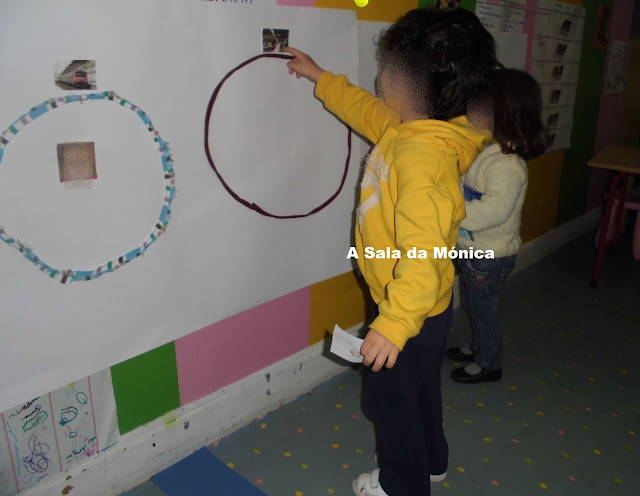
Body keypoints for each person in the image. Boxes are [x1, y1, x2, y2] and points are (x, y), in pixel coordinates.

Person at [285, 7, 497, 495]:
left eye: (384, 68)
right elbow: (363, 109)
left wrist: (394, 324)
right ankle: (433, 462)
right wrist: (319, 76)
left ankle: (401, 485)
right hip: (421, 307)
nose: (378, 76)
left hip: (408, 311)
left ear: (407, 85)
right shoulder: (410, 129)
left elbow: (426, 256)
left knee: (389, 405)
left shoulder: (422, 160)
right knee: (420, 391)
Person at [447, 68, 547, 384]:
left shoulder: (507, 166)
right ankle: (478, 347)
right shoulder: (489, 152)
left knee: (483, 311)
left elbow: (493, 212)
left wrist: (449, 210)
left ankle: (489, 363)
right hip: (473, 250)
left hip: (490, 257)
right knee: (473, 304)